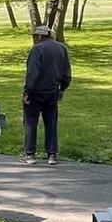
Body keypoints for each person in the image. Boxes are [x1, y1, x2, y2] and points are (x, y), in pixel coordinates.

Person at [22, 25, 71, 166]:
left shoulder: (37, 50)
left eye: (34, 36)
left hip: (36, 92)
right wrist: (62, 88)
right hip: (53, 91)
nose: (33, 39)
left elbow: (33, 74)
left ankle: (30, 154)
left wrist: (27, 91)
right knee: (51, 122)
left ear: (40, 36)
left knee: (30, 122)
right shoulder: (62, 48)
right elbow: (66, 73)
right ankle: (52, 155)